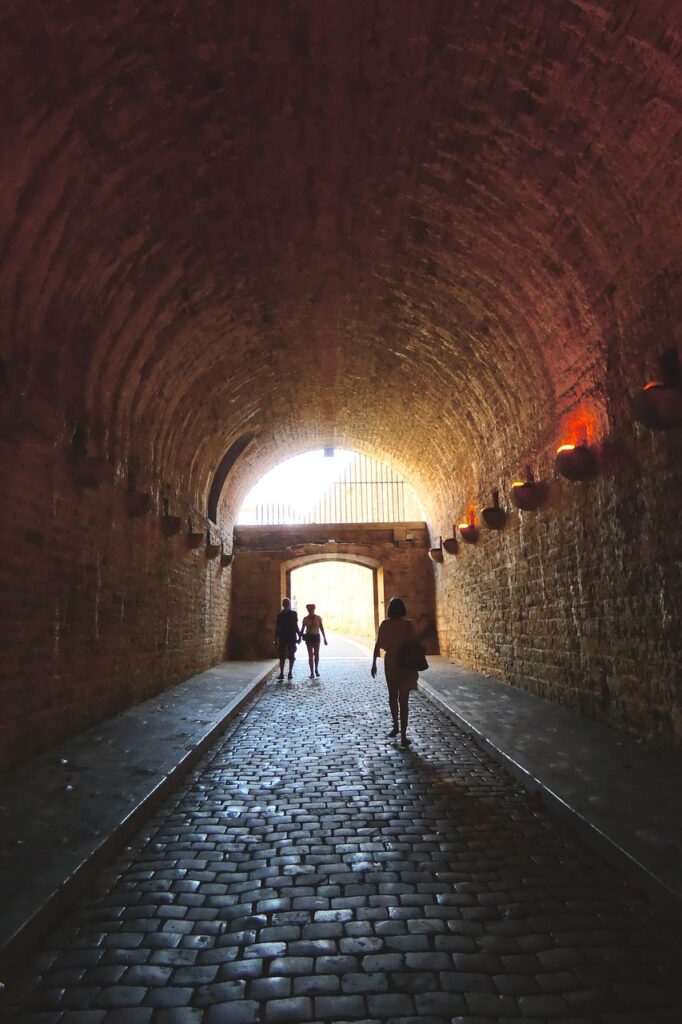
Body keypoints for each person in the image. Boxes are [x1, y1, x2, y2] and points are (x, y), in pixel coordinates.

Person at [371, 596, 419, 746]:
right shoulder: (408, 625)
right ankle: (403, 734)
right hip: (406, 663)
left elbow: (378, 644)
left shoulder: (385, 624)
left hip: (391, 662)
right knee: (404, 700)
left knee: (393, 696)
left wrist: (373, 663)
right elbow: (414, 643)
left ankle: (395, 726)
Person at [274, 598, 301, 680]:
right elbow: (295, 626)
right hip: (291, 636)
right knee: (291, 655)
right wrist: (299, 635)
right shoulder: (293, 614)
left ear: (283, 605)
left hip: (282, 637)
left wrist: (275, 638)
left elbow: (277, 628)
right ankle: (290, 672)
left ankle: (282, 673)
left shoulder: (280, 615)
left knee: (282, 656)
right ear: (289, 605)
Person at [300, 603, 328, 678]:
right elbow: (302, 630)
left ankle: (316, 669)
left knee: (316, 654)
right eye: (309, 609)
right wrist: (300, 637)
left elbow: (321, 628)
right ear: (307, 610)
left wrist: (325, 638)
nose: (310, 610)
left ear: (314, 609)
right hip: (309, 637)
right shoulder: (305, 619)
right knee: (310, 655)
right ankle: (312, 672)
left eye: (311, 609)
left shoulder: (318, 618)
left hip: (316, 637)